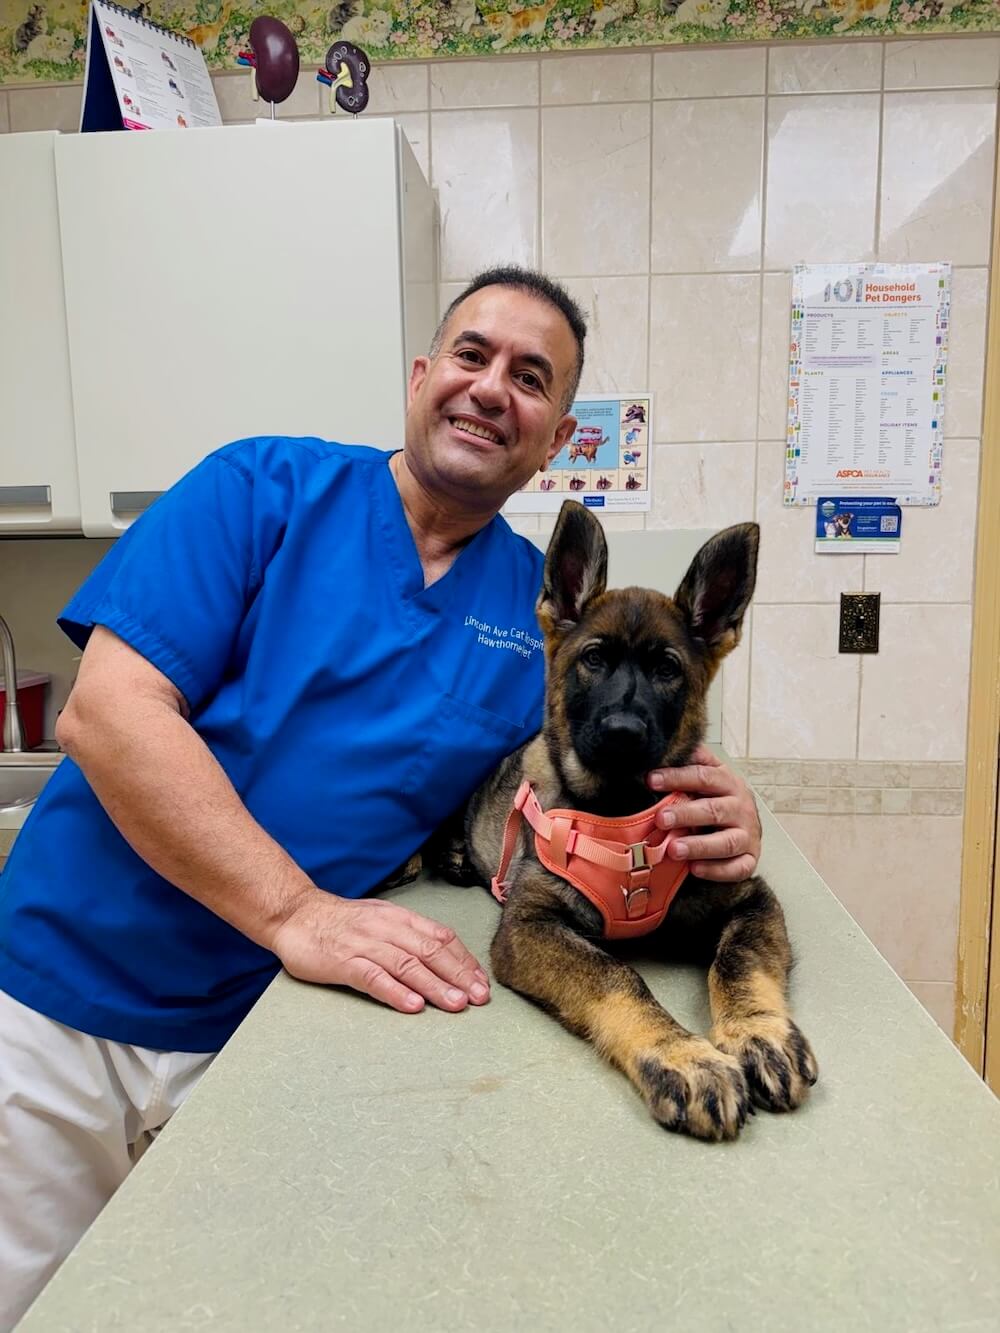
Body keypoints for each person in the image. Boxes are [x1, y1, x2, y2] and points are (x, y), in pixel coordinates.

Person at [0, 266, 761, 1327]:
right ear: (420, 378)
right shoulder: (259, 489)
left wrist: (717, 812)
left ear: (552, 441)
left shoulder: (535, 619)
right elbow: (109, 713)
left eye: (531, 378)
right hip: (57, 1005)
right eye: (471, 355)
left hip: (270, 1033)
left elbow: (570, 793)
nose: (492, 387)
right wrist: (296, 911)